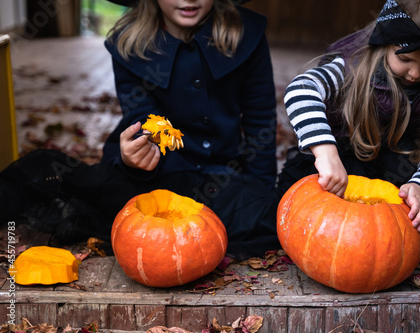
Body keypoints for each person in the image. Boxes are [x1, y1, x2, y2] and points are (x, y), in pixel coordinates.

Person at [0, 0, 280, 258]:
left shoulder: (247, 35)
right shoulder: (129, 44)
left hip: (221, 176)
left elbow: (260, 122)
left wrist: (263, 194)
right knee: (51, 174)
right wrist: (135, 157)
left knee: (261, 216)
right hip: (155, 178)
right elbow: (142, 118)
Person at [278, 0, 420, 238]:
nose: (415, 73)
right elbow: (301, 89)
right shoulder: (351, 67)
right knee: (299, 200)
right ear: (385, 43)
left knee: (401, 222)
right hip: (344, 159)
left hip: (400, 170)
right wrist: (325, 152)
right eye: (405, 59)